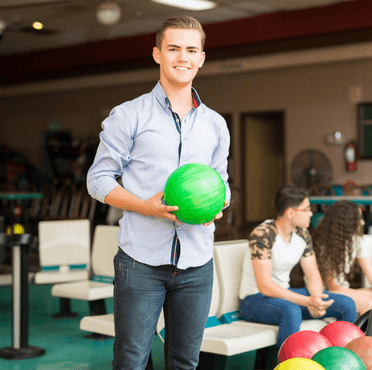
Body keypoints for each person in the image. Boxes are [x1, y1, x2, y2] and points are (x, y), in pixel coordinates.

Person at [87, 16, 231, 370]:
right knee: (131, 361)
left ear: (201, 58)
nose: (183, 57)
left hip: (197, 262)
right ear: (157, 54)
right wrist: (144, 207)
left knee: (185, 362)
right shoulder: (128, 115)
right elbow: (98, 178)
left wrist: (219, 202)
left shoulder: (215, 124)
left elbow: (222, 181)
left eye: (191, 50)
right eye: (174, 49)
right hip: (140, 262)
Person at [238, 185, 357, 349]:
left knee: (347, 305)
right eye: (306, 209)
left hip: (285, 295)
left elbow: (312, 274)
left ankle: (342, 360)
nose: (311, 213)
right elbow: (265, 286)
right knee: (291, 311)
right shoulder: (263, 235)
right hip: (254, 299)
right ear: (290, 213)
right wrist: (308, 301)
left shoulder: (302, 233)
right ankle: (287, 366)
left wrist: (316, 300)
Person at [311, 200, 372, 316]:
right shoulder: (324, 245)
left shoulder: (357, 240)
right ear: (347, 222)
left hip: (343, 290)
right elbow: (332, 287)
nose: (363, 222)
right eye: (359, 219)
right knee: (369, 303)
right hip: (328, 293)